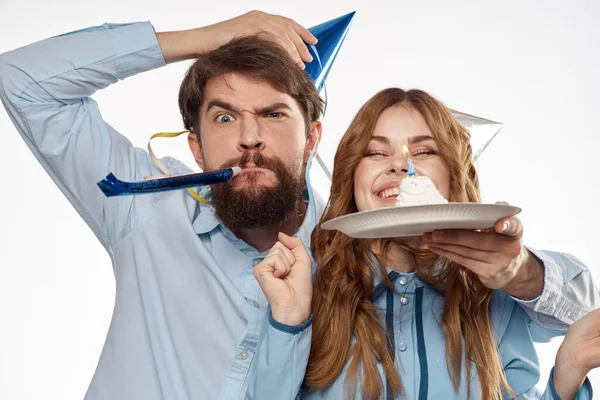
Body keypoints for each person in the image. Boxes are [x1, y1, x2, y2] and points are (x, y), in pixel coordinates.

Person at [0, 10, 595, 400]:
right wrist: (208, 40)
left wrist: (522, 274)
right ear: (194, 144)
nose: (248, 137)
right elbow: (23, 80)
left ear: (313, 138)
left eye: (274, 114)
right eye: (225, 116)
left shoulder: (354, 259)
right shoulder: (143, 209)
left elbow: (567, 307)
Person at [251, 88, 599, 399]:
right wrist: (287, 322)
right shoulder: (306, 288)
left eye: (424, 151)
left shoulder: (491, 293)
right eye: (375, 153)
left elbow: (583, 301)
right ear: (351, 176)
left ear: (454, 175)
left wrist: (567, 371)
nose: (401, 165)